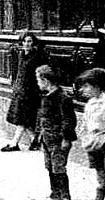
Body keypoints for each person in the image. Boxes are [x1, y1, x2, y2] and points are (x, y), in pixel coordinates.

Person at [2, 32, 48, 152]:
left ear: (33, 43)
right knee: (24, 118)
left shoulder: (37, 57)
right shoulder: (21, 54)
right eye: (24, 41)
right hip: (20, 90)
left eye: (29, 41)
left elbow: (40, 76)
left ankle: (14, 143)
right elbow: (19, 73)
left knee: (22, 118)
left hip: (30, 92)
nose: (26, 44)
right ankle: (34, 140)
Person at [36, 64, 76, 200]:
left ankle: (65, 196)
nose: (37, 83)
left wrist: (66, 139)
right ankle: (55, 194)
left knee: (58, 168)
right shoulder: (46, 96)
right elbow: (42, 117)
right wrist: (40, 134)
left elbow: (68, 120)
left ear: (46, 81)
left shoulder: (63, 98)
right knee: (49, 167)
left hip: (58, 140)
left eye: (38, 80)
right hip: (47, 138)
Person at [77, 68, 105, 200]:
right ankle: (100, 192)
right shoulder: (90, 104)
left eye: (86, 86)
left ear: (97, 86)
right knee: (99, 169)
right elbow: (85, 124)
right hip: (93, 142)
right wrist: (85, 136)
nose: (83, 90)